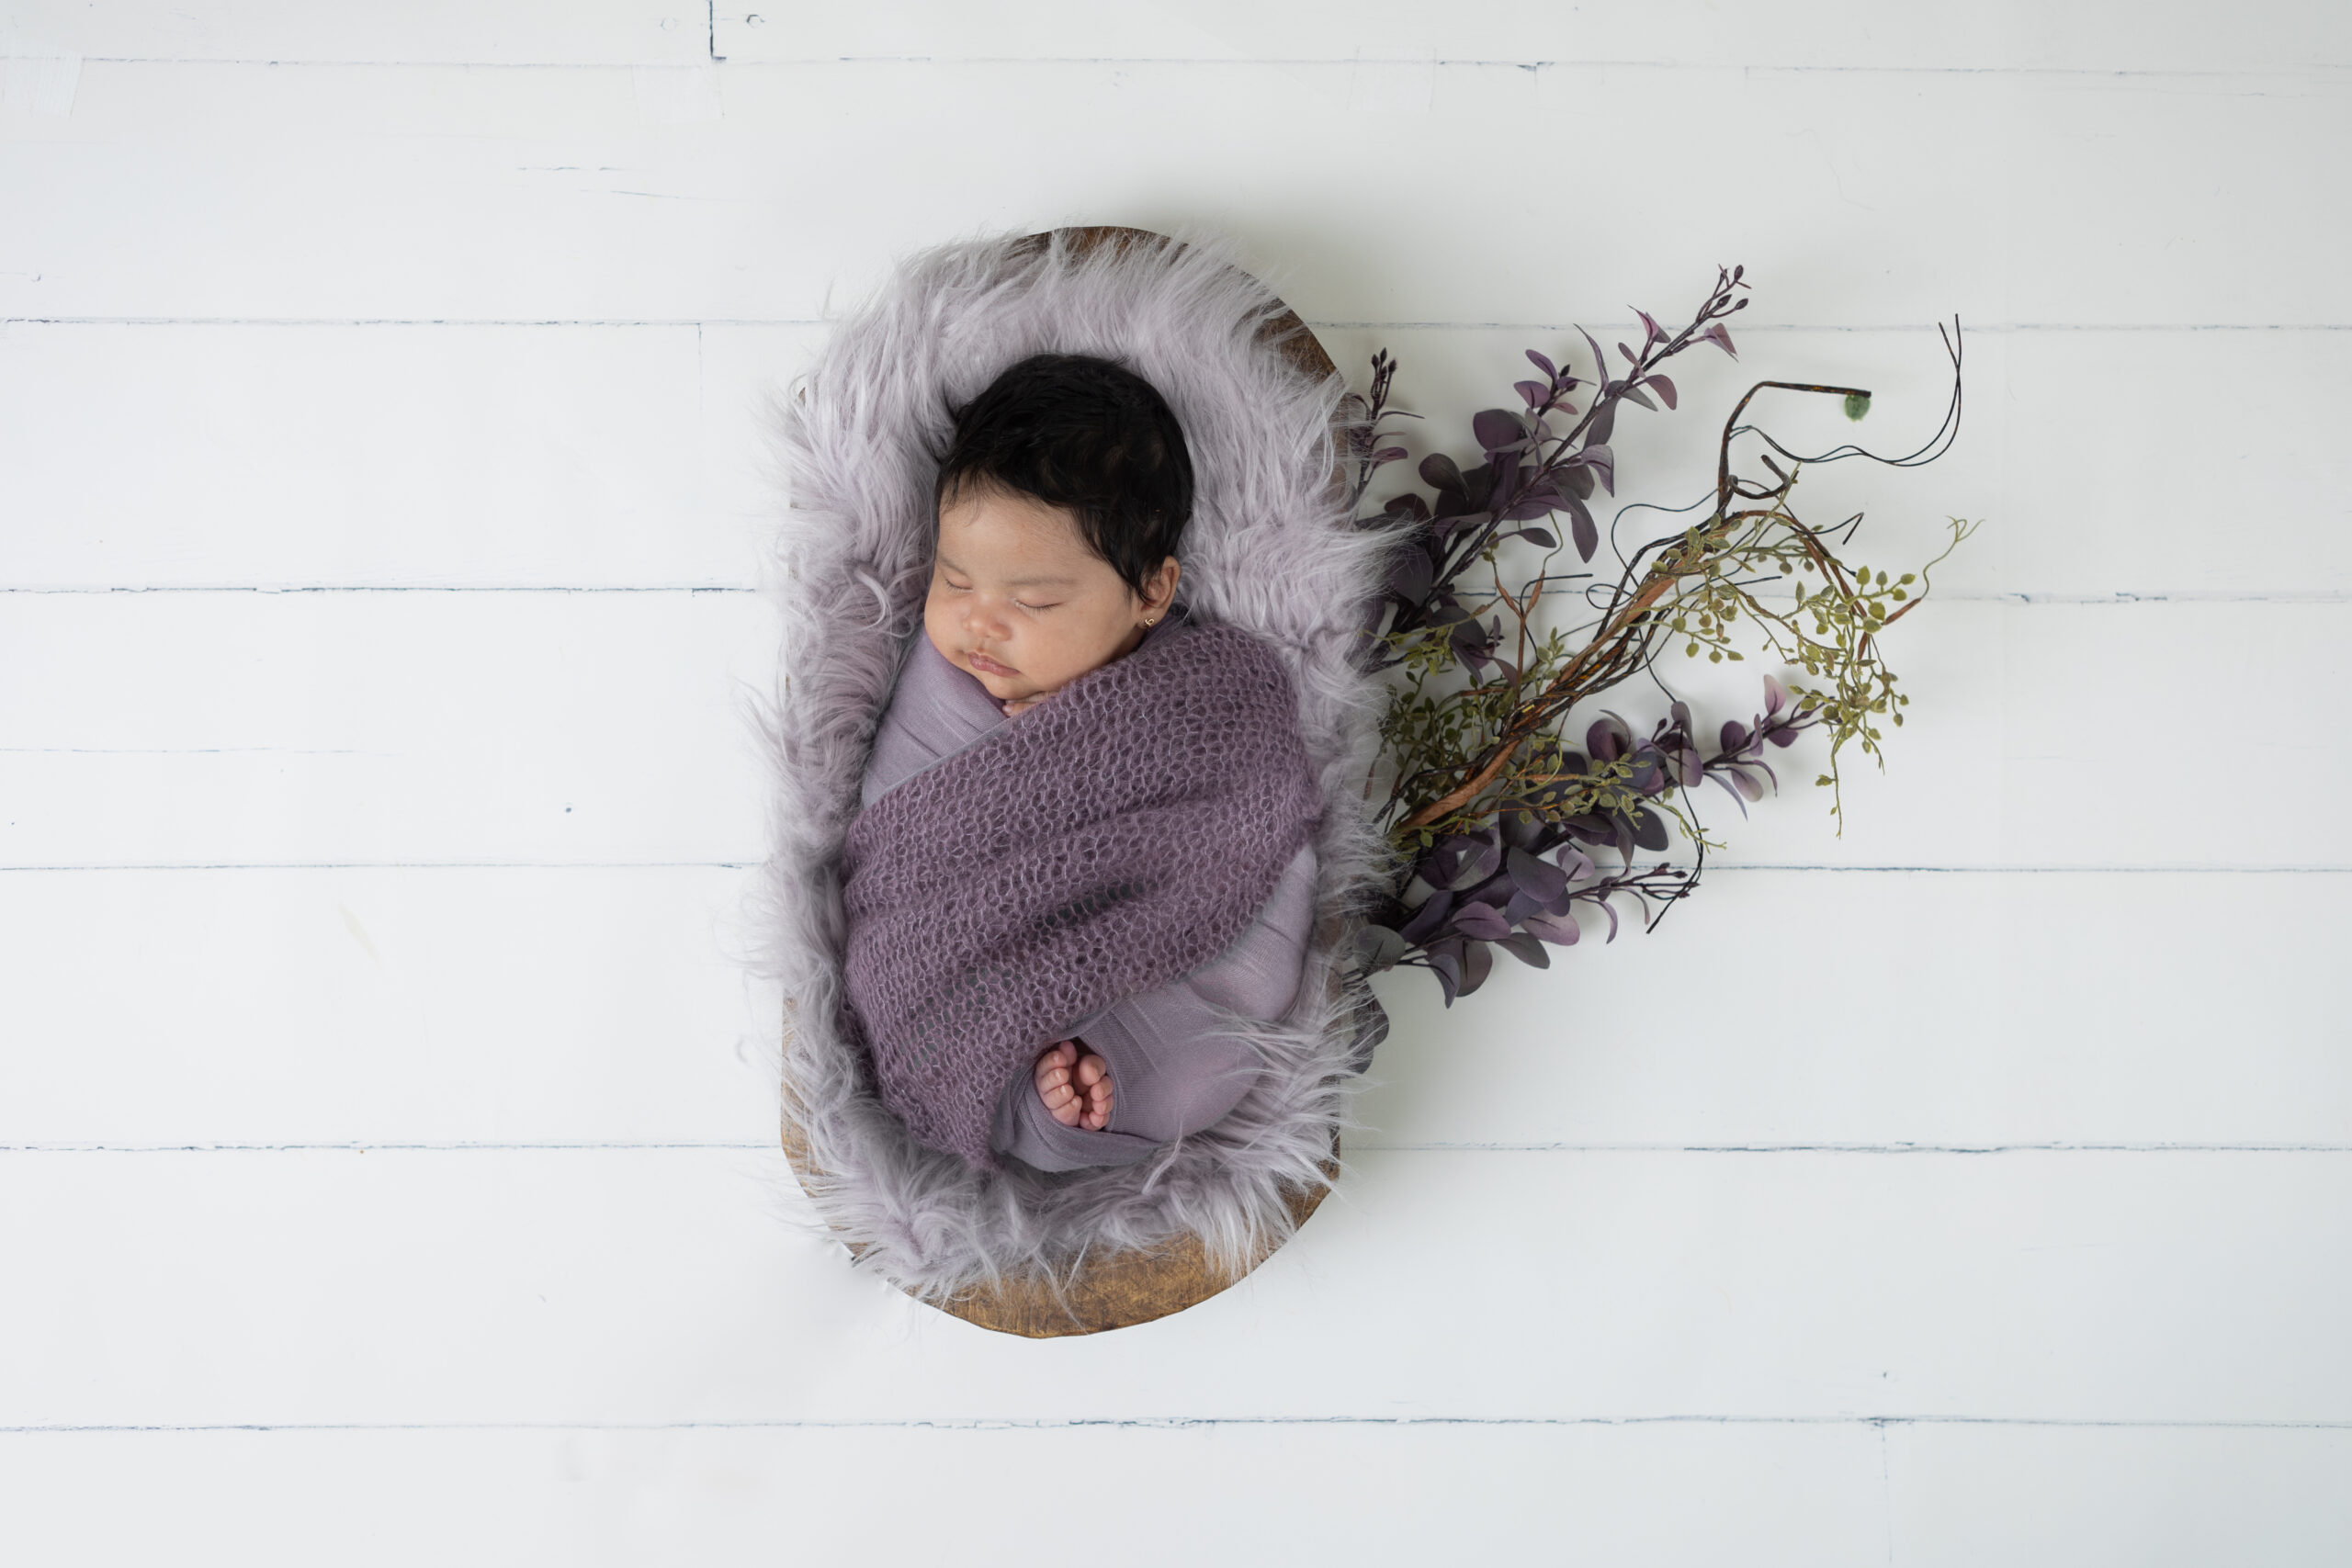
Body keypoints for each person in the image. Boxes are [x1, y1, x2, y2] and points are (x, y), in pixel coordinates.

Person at [855, 351, 1319, 1171]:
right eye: (955, 580)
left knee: (1208, 1059)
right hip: (959, 952)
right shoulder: (945, 682)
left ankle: (1103, 1082)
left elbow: (1251, 812)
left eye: (1032, 602)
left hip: (1158, 969)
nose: (979, 625)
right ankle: (1014, 1082)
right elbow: (903, 837)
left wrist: (1083, 726)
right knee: (889, 986)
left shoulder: (1202, 691)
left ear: (1150, 592)